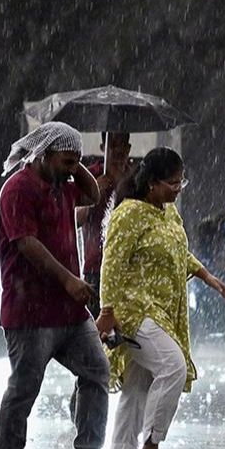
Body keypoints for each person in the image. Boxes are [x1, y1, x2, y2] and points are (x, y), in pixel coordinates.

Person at [0, 122, 129, 449]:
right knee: (24, 389)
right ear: (43, 155)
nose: (73, 169)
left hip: (68, 313)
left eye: (76, 162)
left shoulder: (64, 186)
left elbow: (92, 191)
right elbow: (27, 244)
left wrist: (75, 159)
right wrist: (69, 279)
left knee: (97, 372)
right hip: (30, 312)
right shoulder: (17, 190)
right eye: (66, 160)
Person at [98, 147, 225, 449]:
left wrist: (206, 276)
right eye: (172, 183)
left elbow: (178, 251)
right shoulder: (128, 213)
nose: (178, 188)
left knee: (138, 383)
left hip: (164, 311)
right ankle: (150, 448)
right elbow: (111, 264)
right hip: (133, 310)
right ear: (151, 183)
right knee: (173, 366)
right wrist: (107, 312)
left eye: (180, 182)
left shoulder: (169, 213)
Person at [78, 132, 133, 318]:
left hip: (130, 266)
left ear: (129, 149)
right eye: (113, 145)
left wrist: (122, 186)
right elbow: (75, 219)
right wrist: (93, 194)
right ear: (103, 148)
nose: (118, 151)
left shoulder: (135, 178)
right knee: (96, 331)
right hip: (96, 267)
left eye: (122, 145)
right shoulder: (91, 175)